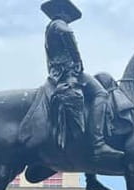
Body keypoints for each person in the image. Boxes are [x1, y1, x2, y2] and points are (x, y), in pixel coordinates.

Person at [40, 0, 124, 162]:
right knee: (101, 94)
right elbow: (68, 34)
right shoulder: (57, 24)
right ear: (60, 11)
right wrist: (78, 60)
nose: (68, 17)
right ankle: (98, 143)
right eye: (67, 13)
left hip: (68, 71)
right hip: (67, 72)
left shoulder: (52, 27)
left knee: (103, 80)